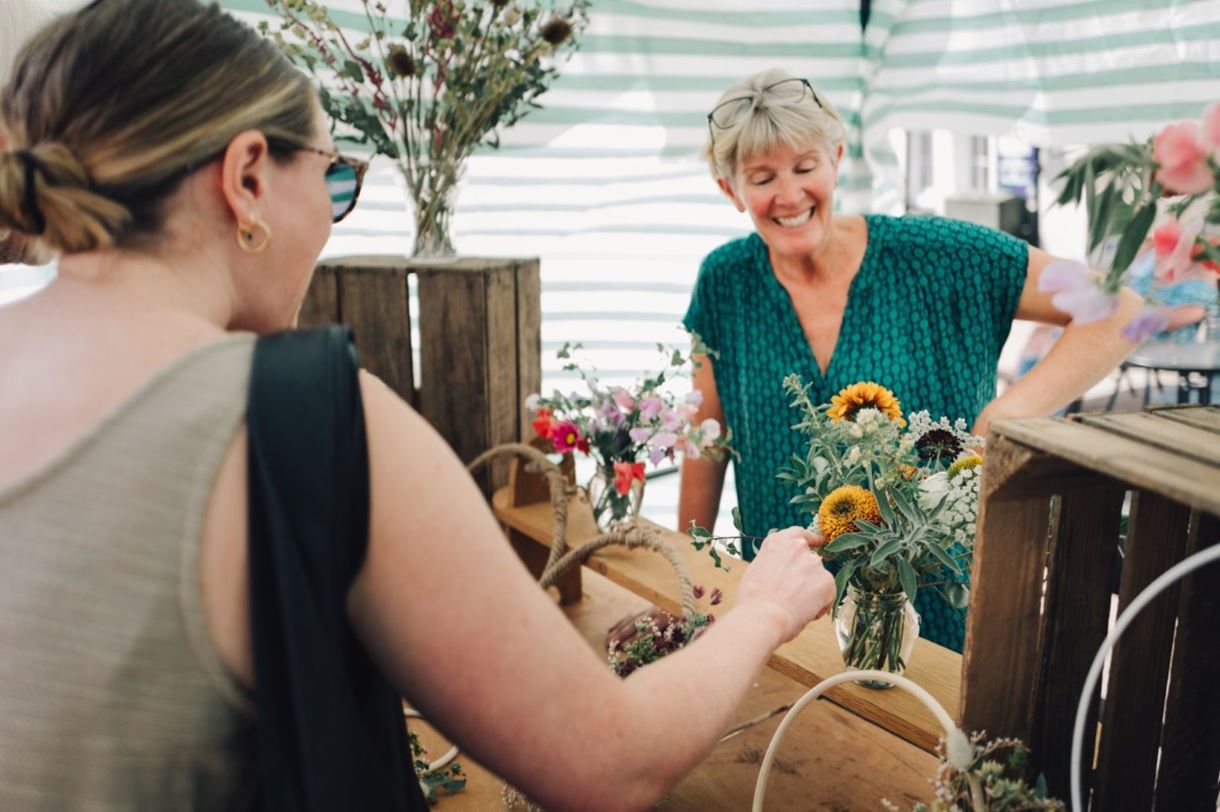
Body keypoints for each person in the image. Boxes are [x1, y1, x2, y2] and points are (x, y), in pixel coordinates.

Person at [0, 4, 837, 810]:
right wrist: (763, 608)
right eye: (335, 176)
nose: (333, 216)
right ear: (248, 177)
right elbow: (609, 761)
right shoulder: (305, 417)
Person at [678, 68, 1141, 653]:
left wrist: (1000, 419)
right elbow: (706, 438)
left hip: (933, 611)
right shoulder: (724, 280)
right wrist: (690, 590)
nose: (789, 195)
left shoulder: (938, 256)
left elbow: (1117, 308)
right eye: (763, 177)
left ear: (837, 158)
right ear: (731, 189)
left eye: (805, 167)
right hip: (782, 621)